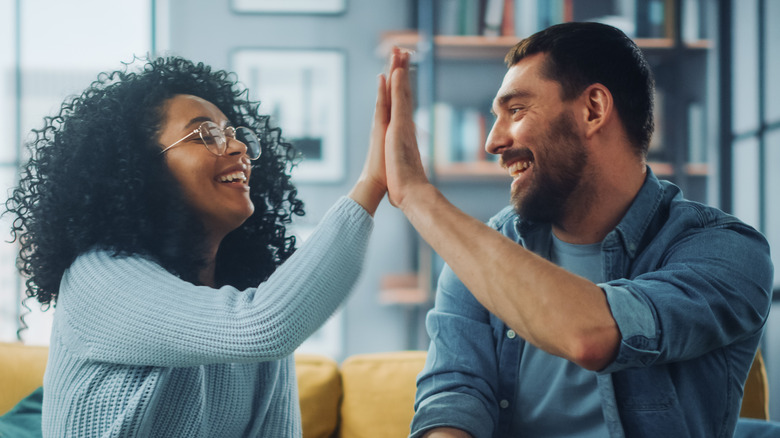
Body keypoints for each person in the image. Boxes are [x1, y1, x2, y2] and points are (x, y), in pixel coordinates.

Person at [379, 24, 774, 437]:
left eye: (515, 111)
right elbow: (454, 395)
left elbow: (592, 335)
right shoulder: (480, 253)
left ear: (593, 110)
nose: (493, 141)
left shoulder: (727, 251)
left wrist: (418, 197)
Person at [4, 53, 400, 437]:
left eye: (234, 134)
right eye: (205, 134)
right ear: (143, 168)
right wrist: (371, 185)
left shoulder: (246, 302)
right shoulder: (97, 277)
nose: (238, 148)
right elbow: (261, 327)